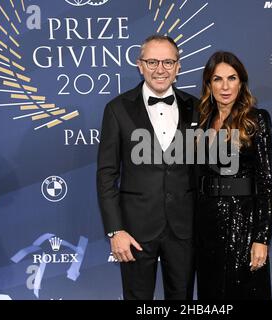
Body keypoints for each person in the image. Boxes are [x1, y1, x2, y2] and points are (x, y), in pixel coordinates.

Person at [97, 35, 199, 300]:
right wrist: (115, 230)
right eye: (152, 61)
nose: (160, 69)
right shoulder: (117, 109)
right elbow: (107, 174)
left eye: (168, 62)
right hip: (134, 231)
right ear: (139, 65)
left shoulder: (198, 108)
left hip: (185, 228)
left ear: (178, 67)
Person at [195, 51, 272, 300]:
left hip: (243, 224)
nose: (225, 86)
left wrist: (261, 238)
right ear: (209, 84)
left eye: (232, 78)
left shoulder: (256, 120)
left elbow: (266, 182)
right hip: (206, 225)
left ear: (241, 82)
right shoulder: (202, 122)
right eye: (218, 79)